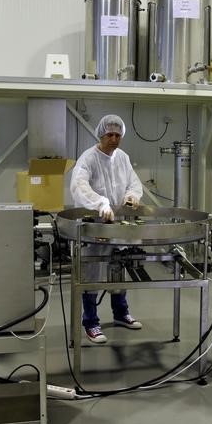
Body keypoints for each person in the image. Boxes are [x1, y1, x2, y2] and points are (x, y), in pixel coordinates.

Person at [70, 114, 144, 344]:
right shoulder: (88, 158)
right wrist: (100, 204)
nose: (114, 139)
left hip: (118, 226)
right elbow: (79, 186)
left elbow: (133, 182)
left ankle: (121, 314)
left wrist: (131, 196)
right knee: (91, 274)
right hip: (94, 227)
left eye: (117, 135)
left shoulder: (122, 157)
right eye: (109, 135)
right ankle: (90, 322)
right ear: (100, 135)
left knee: (117, 269)